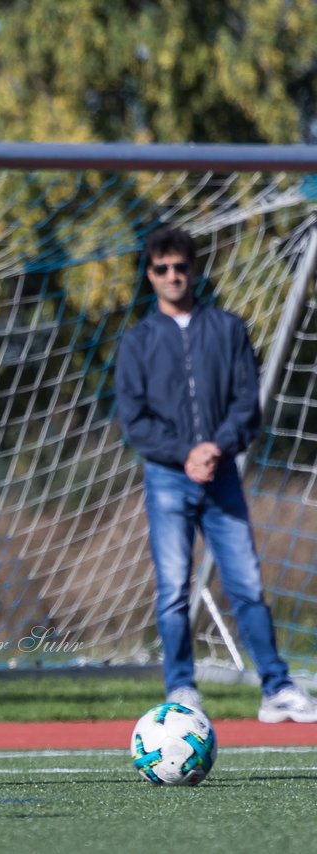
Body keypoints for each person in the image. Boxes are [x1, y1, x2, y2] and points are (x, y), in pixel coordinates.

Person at [115, 225, 317, 723]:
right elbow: (134, 420)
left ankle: (276, 688)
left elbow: (247, 405)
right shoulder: (137, 342)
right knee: (172, 590)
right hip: (167, 479)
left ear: (193, 270)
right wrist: (184, 453)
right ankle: (181, 688)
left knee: (247, 583)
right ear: (150, 275)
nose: (172, 276)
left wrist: (214, 448)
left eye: (180, 267)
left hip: (222, 475)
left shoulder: (227, 329)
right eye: (162, 269)